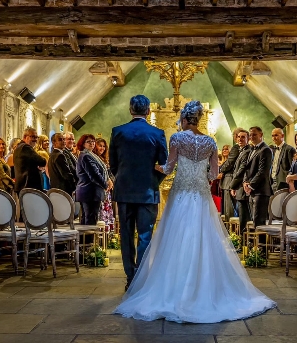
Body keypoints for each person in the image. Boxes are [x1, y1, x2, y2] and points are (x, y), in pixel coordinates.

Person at [114, 101, 275, 323]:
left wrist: (153, 167)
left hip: (180, 195)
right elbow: (213, 174)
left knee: (175, 239)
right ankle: (203, 286)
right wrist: (201, 172)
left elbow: (169, 167)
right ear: (198, 119)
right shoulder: (210, 142)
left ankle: (173, 287)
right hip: (200, 196)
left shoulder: (177, 139)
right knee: (204, 239)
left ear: (184, 119)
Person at [110, 95, 168, 291]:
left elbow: (113, 165)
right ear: (148, 111)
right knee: (145, 235)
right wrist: (154, 182)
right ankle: (141, 278)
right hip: (147, 192)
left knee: (126, 235)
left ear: (130, 110)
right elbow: (164, 165)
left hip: (124, 191)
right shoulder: (157, 133)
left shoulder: (118, 132)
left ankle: (130, 276)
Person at [76, 134, 112, 226]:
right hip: (90, 192)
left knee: (88, 219)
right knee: (90, 221)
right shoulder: (86, 156)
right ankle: (88, 240)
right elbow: (94, 175)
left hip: (89, 192)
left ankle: (85, 240)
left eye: (93, 141)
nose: (92, 143)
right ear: (83, 144)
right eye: (88, 142)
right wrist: (105, 185)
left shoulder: (90, 154)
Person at [243, 126, 273, 231]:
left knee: (259, 223)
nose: (252, 137)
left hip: (261, 191)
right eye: (250, 135)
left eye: (254, 134)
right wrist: (245, 182)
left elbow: (263, 171)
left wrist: (251, 185)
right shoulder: (252, 149)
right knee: (254, 221)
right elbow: (247, 169)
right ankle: (255, 246)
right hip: (252, 190)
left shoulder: (266, 150)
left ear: (261, 135)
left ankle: (261, 247)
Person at [229, 129, 252, 234]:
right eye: (238, 137)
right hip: (240, 188)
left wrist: (232, 185)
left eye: (243, 137)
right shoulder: (241, 150)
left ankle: (245, 242)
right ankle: (244, 240)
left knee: (244, 217)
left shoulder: (247, 151)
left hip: (243, 188)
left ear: (248, 138)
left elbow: (241, 170)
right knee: (242, 215)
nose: (240, 139)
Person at [219, 128, 244, 221]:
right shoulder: (242, 148)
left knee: (229, 209)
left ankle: (231, 230)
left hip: (229, 179)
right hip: (235, 180)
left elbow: (230, 162)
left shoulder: (235, 148)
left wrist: (220, 169)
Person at [13, 128, 46, 193]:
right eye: (33, 137)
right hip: (28, 186)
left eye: (37, 137)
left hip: (24, 187)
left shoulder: (19, 147)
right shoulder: (25, 147)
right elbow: (42, 161)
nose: (35, 140)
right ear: (25, 137)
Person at [94, 137, 116, 230]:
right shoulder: (94, 158)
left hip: (107, 191)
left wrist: (112, 181)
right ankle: (99, 237)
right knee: (100, 214)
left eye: (103, 146)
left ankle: (107, 237)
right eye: (100, 146)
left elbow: (110, 173)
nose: (102, 148)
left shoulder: (104, 159)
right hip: (99, 189)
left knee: (107, 213)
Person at [270, 127, 295, 192]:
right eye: (272, 136)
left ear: (282, 136)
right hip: (273, 181)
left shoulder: (289, 149)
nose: (274, 138)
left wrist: (290, 183)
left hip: (283, 182)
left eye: (276, 135)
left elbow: (292, 168)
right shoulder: (273, 150)